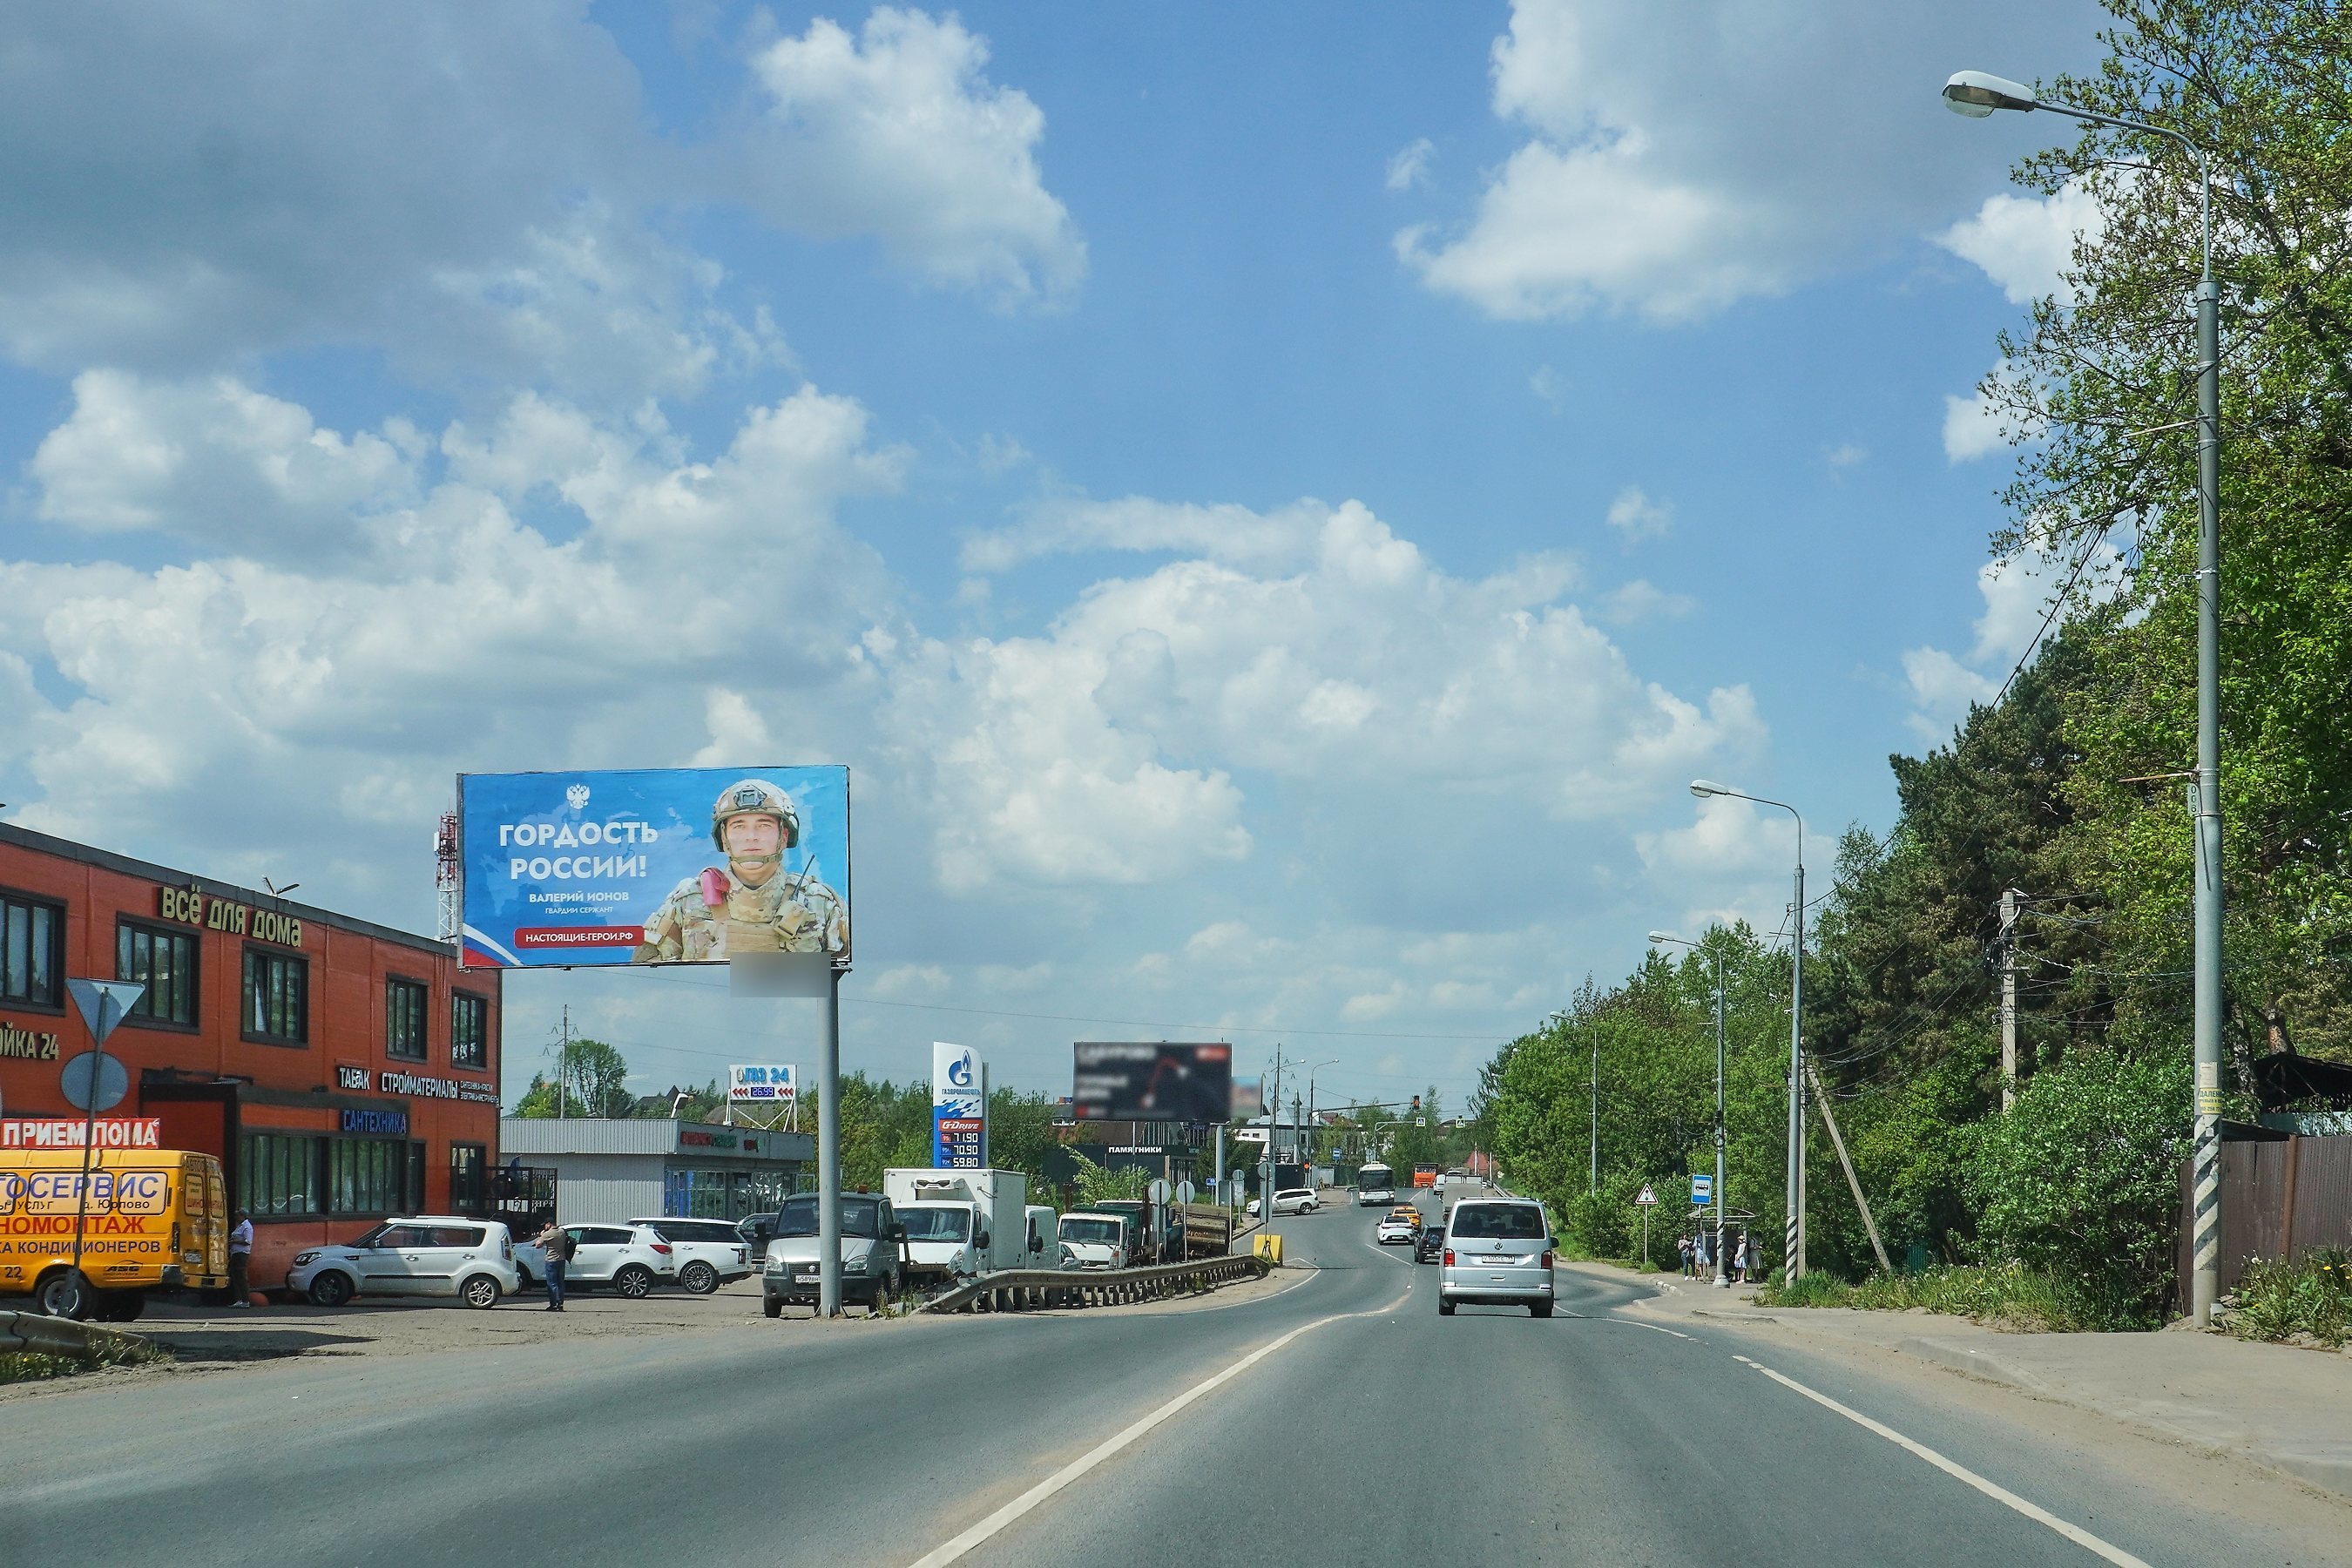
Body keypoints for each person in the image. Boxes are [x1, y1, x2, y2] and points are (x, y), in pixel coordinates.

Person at [634, 779, 849, 963]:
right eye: (739, 826)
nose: (751, 837)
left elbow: (840, 984)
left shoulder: (819, 903)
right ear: (724, 838)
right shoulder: (687, 901)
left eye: (764, 825)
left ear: (783, 836)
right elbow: (651, 978)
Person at [533, 1216, 571, 1311]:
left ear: (549, 1224)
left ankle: (554, 1304)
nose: (544, 1227)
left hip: (551, 1260)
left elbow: (538, 1245)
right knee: (560, 1283)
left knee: (552, 1283)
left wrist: (542, 1235)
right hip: (562, 1260)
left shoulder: (548, 1234)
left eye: (545, 1225)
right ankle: (561, 1303)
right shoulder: (562, 1232)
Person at [227, 1210, 253, 1307]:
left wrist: (234, 1242)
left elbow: (248, 1241)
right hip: (235, 1253)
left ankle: (245, 1300)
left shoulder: (247, 1227)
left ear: (243, 1216)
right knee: (236, 1276)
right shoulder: (240, 1226)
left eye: (237, 1215)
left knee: (241, 1276)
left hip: (242, 1254)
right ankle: (239, 1300)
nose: (235, 1217)